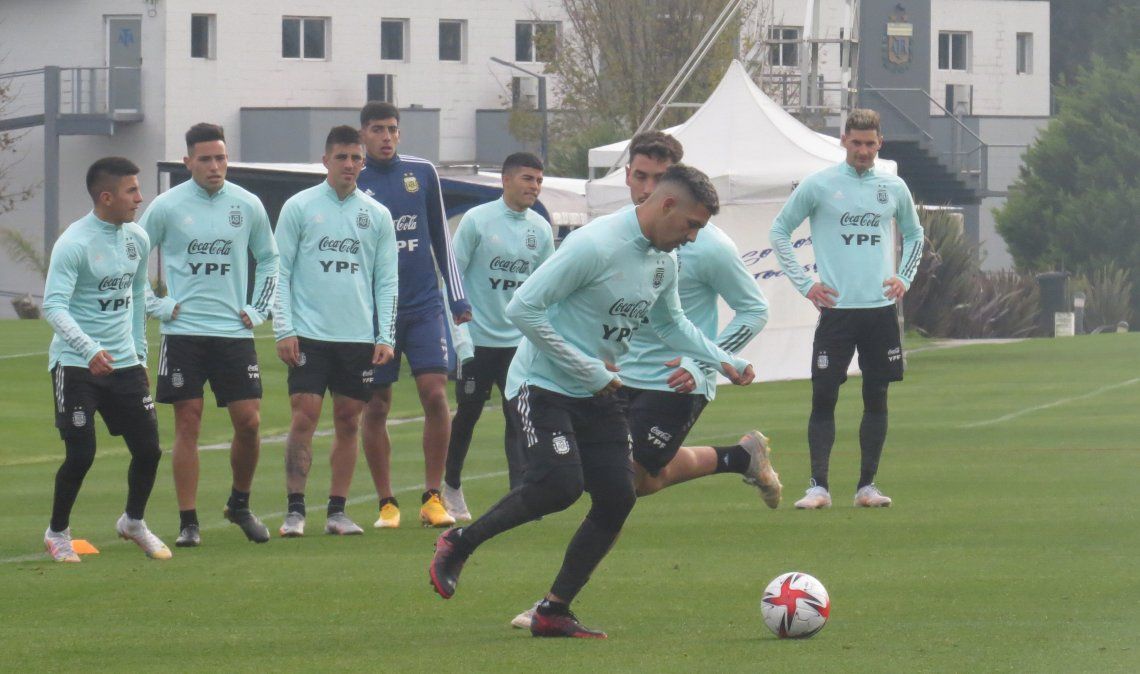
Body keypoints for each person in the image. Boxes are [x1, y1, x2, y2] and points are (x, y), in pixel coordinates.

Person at [429, 164, 755, 639]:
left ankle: (553, 610)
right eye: (691, 225)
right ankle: (459, 543)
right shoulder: (595, 245)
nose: (692, 237)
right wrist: (587, 369)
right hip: (540, 384)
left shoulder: (665, 261)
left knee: (619, 495)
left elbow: (671, 324)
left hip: (597, 390)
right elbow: (524, 308)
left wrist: (722, 359)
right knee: (559, 486)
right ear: (667, 205)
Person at [508, 131, 782, 628]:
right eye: (639, 176)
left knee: (623, 485)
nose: (647, 187)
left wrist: (704, 364)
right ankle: (738, 457)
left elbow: (754, 309)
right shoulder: (614, 235)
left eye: (658, 178)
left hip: (674, 384)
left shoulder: (706, 243)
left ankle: (554, 602)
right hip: (614, 376)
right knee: (634, 481)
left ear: (675, 185)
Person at [769, 108, 923, 509]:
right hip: (837, 311)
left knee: (877, 396)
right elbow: (779, 231)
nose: (863, 151)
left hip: (879, 311)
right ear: (843, 140)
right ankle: (818, 487)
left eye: (870, 144)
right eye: (856, 143)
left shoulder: (893, 187)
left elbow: (915, 233)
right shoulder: (819, 185)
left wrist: (904, 277)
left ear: (880, 143)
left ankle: (866, 487)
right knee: (824, 396)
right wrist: (806, 284)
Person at [141, 123, 279, 547]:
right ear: (188, 162)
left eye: (220, 158)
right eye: (205, 159)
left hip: (233, 333)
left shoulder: (247, 204)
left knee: (249, 422)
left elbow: (269, 258)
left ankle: (240, 504)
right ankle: (188, 522)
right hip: (183, 332)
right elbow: (131, 256)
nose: (215, 166)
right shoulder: (166, 206)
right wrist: (157, 304)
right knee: (188, 422)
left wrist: (259, 308)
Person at [42, 157, 171, 562]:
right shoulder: (74, 243)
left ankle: (133, 522)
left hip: (125, 364)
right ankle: (57, 533)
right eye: (132, 190)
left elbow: (138, 300)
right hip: (76, 364)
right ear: (106, 197)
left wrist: (140, 355)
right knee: (81, 454)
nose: (140, 198)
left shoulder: (137, 239)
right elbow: (53, 305)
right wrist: (88, 349)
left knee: (149, 450)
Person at [273, 125, 399, 537]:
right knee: (304, 416)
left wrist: (385, 336)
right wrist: (284, 328)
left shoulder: (377, 215)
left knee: (348, 420)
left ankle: (337, 511)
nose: (349, 164)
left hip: (357, 336)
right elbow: (279, 271)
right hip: (309, 334)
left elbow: (387, 280)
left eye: (356, 158)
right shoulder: (299, 207)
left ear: (364, 163)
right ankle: (295, 511)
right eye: (341, 157)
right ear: (325, 160)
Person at [356, 101, 471, 529]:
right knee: (377, 404)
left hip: (424, 305)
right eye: (377, 129)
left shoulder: (421, 173)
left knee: (435, 393)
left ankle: (432, 497)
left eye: (392, 129)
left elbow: (441, 236)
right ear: (363, 134)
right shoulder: (354, 178)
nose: (386, 137)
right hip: (374, 313)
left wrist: (457, 299)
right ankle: (387, 502)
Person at [443, 152, 554, 521]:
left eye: (539, 180)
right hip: (477, 340)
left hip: (519, 345)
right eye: (527, 179)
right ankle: (451, 486)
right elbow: (452, 279)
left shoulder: (540, 229)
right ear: (506, 180)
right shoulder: (477, 220)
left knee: (519, 417)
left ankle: (520, 495)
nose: (534, 187)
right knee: (468, 414)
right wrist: (460, 337)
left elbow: (547, 288)